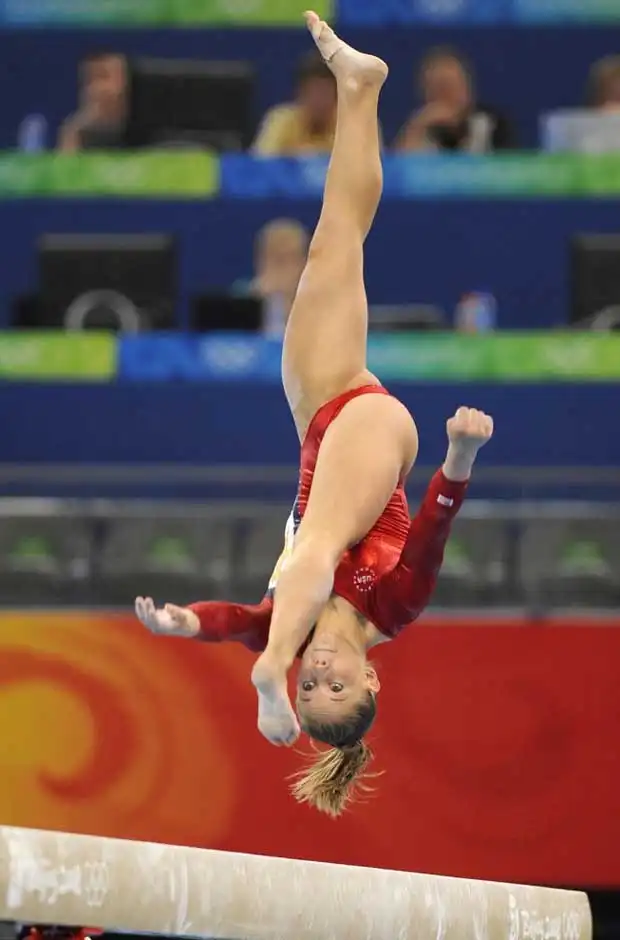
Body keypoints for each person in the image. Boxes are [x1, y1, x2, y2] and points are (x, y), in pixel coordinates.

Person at [135, 13, 493, 817]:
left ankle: (359, 90)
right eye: (336, 685)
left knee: (336, 240)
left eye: (308, 684)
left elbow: (238, 619)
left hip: (321, 413)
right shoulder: (392, 608)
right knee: (321, 547)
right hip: (375, 433)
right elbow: (431, 535)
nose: (321, 672)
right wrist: (460, 459)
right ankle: (258, 678)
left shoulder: (286, 622)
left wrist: (184, 623)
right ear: (371, 677)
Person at [395, 46, 513, 153]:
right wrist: (417, 127)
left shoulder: (492, 124)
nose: (447, 95)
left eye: (452, 86)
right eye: (439, 88)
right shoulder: (420, 128)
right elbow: (399, 166)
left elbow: (509, 165)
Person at [252, 49, 337, 155]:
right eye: (314, 93)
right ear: (301, 94)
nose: (320, 102)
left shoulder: (348, 126)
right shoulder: (280, 121)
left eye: (325, 93)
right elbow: (263, 160)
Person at [57, 51, 127, 152]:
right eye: (90, 80)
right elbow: (66, 160)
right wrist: (73, 132)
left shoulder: (145, 120)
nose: (97, 87)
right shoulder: (78, 130)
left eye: (104, 76)